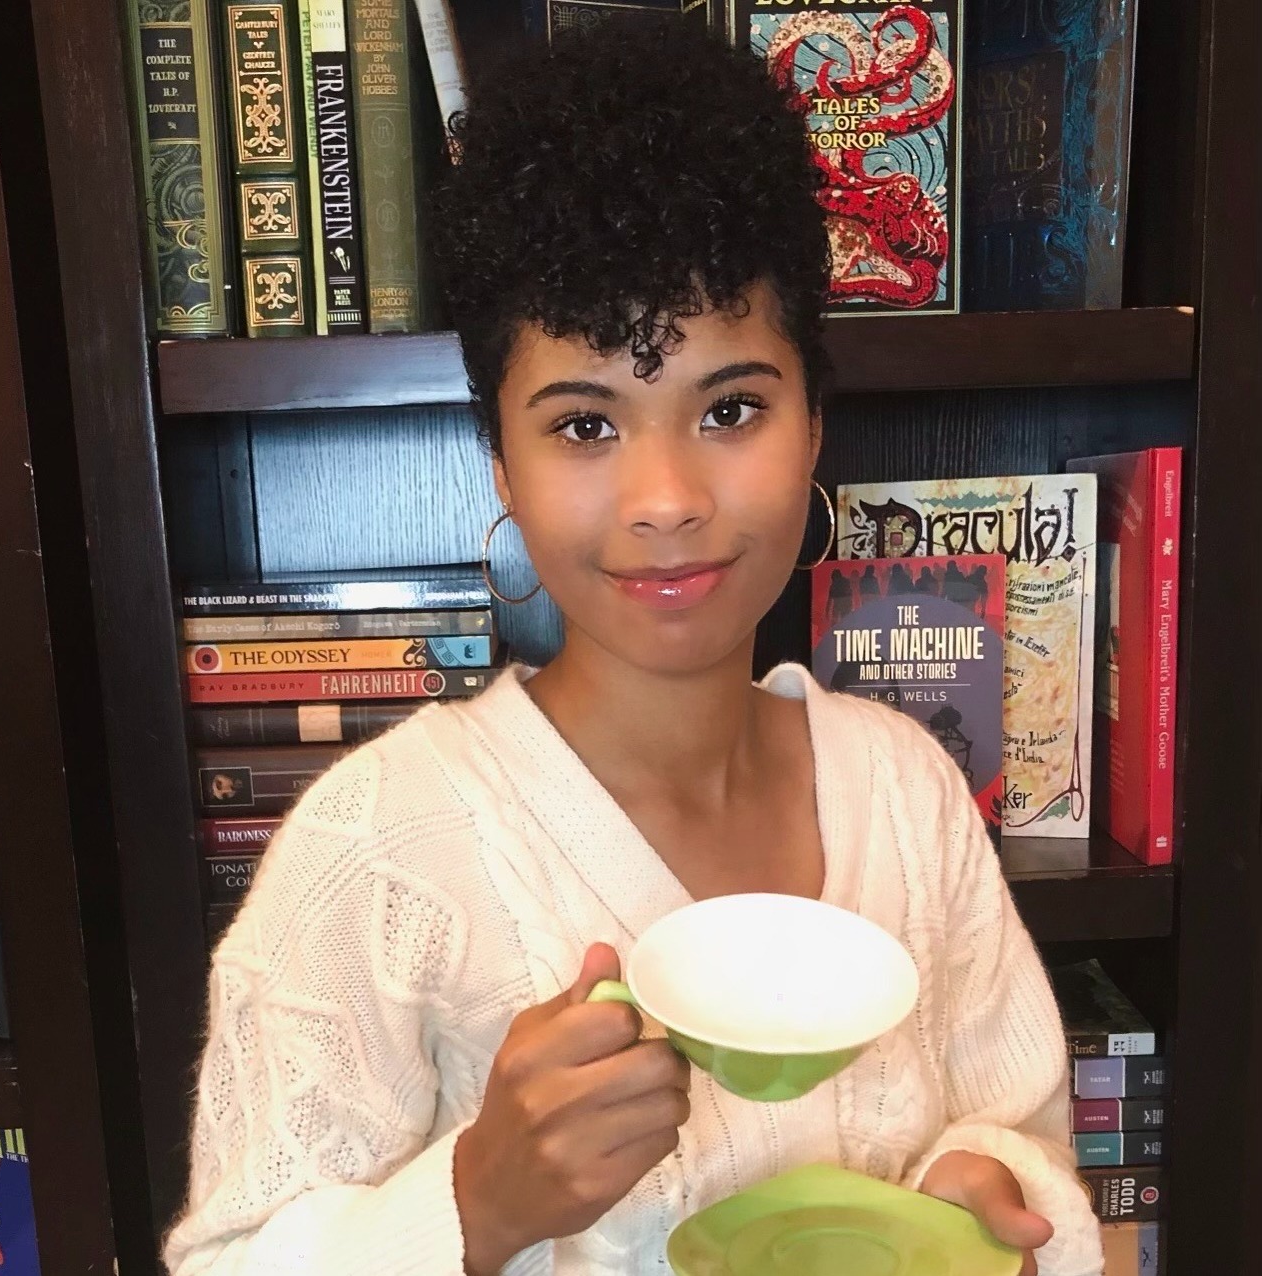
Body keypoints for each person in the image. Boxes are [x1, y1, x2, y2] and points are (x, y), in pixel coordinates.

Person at [163, 20, 1103, 1276]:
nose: (665, 497)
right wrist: (476, 1202)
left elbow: (1020, 1129)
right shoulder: (381, 849)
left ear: (813, 424)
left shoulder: (903, 789)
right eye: (585, 424)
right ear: (499, 459)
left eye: (729, 408)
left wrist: (973, 1185)